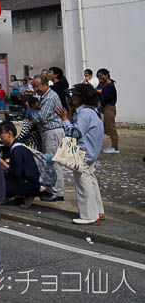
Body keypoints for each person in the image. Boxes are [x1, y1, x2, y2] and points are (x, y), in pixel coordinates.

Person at [56, 85, 105, 224]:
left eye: (74, 96)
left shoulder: (84, 113)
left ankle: (89, 216)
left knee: (83, 183)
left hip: (83, 153)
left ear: (82, 98)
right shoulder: (92, 111)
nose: (71, 98)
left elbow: (74, 133)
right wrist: (70, 113)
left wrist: (65, 119)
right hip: (91, 152)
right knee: (91, 180)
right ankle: (98, 211)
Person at [31, 74, 64, 202]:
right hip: (47, 132)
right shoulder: (45, 96)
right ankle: (51, 189)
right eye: (34, 87)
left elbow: (42, 117)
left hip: (52, 132)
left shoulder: (49, 97)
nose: (36, 90)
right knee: (48, 162)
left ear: (45, 85)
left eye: (37, 87)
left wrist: (33, 119)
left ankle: (57, 192)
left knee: (54, 162)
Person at [0, 121, 40, 208]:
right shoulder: (19, 145)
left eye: (1, 133)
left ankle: (25, 195)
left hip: (28, 185)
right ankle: (25, 196)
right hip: (32, 183)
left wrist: (1, 161)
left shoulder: (16, 150)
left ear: (9, 133)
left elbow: (16, 173)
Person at [97, 68, 119, 154]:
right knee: (109, 127)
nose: (100, 78)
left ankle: (115, 148)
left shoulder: (109, 86)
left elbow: (106, 98)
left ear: (106, 75)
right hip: (107, 108)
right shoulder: (106, 84)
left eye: (101, 75)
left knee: (112, 128)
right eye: (98, 76)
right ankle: (113, 146)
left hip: (109, 108)